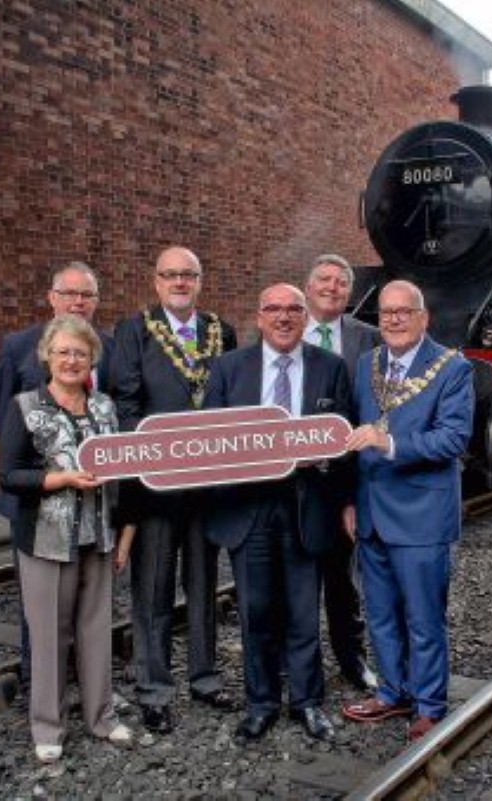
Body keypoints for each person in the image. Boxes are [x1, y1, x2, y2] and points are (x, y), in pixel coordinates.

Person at [203, 283, 354, 742]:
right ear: (259, 317)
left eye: (293, 309)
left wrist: (330, 470)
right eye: (274, 309)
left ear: (306, 317)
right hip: (248, 508)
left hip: (307, 506)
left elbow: (344, 442)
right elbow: (209, 440)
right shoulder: (229, 369)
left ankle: (308, 703)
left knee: (305, 613)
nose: (284, 317)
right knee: (256, 612)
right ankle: (261, 703)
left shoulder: (331, 368)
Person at [340, 280, 474, 743]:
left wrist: (390, 441)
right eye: (386, 313)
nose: (393, 320)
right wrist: (352, 500)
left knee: (422, 616)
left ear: (423, 317)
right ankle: (393, 691)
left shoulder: (452, 368)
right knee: (378, 613)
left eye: (403, 312)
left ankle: (430, 705)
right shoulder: (366, 364)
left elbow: (454, 439)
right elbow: (355, 444)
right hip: (373, 513)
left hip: (421, 517)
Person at [110, 246, 237, 734]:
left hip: (207, 488)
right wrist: (162, 453)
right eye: (171, 275)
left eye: (189, 275)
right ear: (156, 282)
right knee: (154, 591)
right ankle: (154, 689)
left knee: (204, 588)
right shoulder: (134, 331)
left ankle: (205, 679)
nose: (180, 282)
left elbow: (227, 400)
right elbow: (126, 404)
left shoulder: (219, 332)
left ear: (200, 281)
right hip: (157, 488)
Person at [0, 314, 133, 763]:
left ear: (92, 358)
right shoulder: (24, 407)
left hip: (99, 536)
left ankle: (102, 717)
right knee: (50, 637)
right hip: (45, 540)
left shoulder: (105, 408)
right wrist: (62, 479)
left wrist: (125, 534)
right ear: (47, 357)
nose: (72, 360)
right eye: (63, 352)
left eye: (80, 352)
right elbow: (9, 475)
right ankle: (47, 727)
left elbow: (121, 475)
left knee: (96, 632)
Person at [0, 261, 113, 685]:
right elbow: (4, 422)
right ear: (52, 297)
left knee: (89, 603)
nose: (78, 301)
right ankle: (40, 687)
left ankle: (87, 685)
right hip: (38, 503)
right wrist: (50, 474)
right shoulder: (17, 347)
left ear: (96, 302)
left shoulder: (111, 346)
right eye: (70, 293)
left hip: (96, 505)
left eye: (87, 295)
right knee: (40, 607)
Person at [302, 254, 381, 692]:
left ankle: (353, 659)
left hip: (345, 479)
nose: (332, 287)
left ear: (349, 292)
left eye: (340, 282)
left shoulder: (368, 340)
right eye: (323, 279)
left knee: (343, 580)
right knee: (296, 583)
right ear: (309, 286)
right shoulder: (287, 331)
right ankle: (302, 667)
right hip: (295, 481)